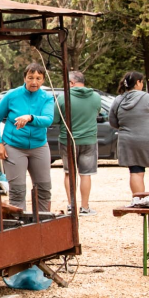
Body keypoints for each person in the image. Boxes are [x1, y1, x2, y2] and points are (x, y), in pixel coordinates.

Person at [0, 62, 55, 212]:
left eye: (38, 78)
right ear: (24, 78)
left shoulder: (46, 97)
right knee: (17, 190)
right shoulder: (12, 95)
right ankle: (19, 223)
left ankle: (43, 221)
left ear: (43, 80)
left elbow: (48, 119)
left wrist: (30, 118)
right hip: (13, 146)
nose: (34, 82)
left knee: (44, 187)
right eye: (30, 77)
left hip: (39, 145)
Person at [108, 71, 149, 195]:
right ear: (138, 83)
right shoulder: (148, 98)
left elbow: (113, 122)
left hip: (129, 141)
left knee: (136, 171)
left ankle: (139, 202)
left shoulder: (118, 100)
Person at [55, 71, 102, 216]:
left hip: (68, 140)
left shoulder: (63, 97)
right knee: (86, 174)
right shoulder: (96, 97)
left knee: (69, 173)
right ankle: (85, 207)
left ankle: (71, 206)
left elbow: (56, 119)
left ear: (72, 83)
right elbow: (97, 113)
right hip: (89, 140)